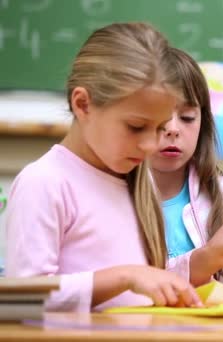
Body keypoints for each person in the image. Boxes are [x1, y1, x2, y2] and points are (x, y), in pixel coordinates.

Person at [4, 22, 206, 312]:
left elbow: (141, 287)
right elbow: (19, 303)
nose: (150, 145)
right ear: (83, 104)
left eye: (159, 127)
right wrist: (123, 277)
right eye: (136, 127)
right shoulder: (45, 182)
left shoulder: (138, 179)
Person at [150, 47, 223, 289]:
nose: (173, 129)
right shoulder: (112, 196)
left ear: (202, 124)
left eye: (187, 117)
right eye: (158, 115)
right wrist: (201, 262)